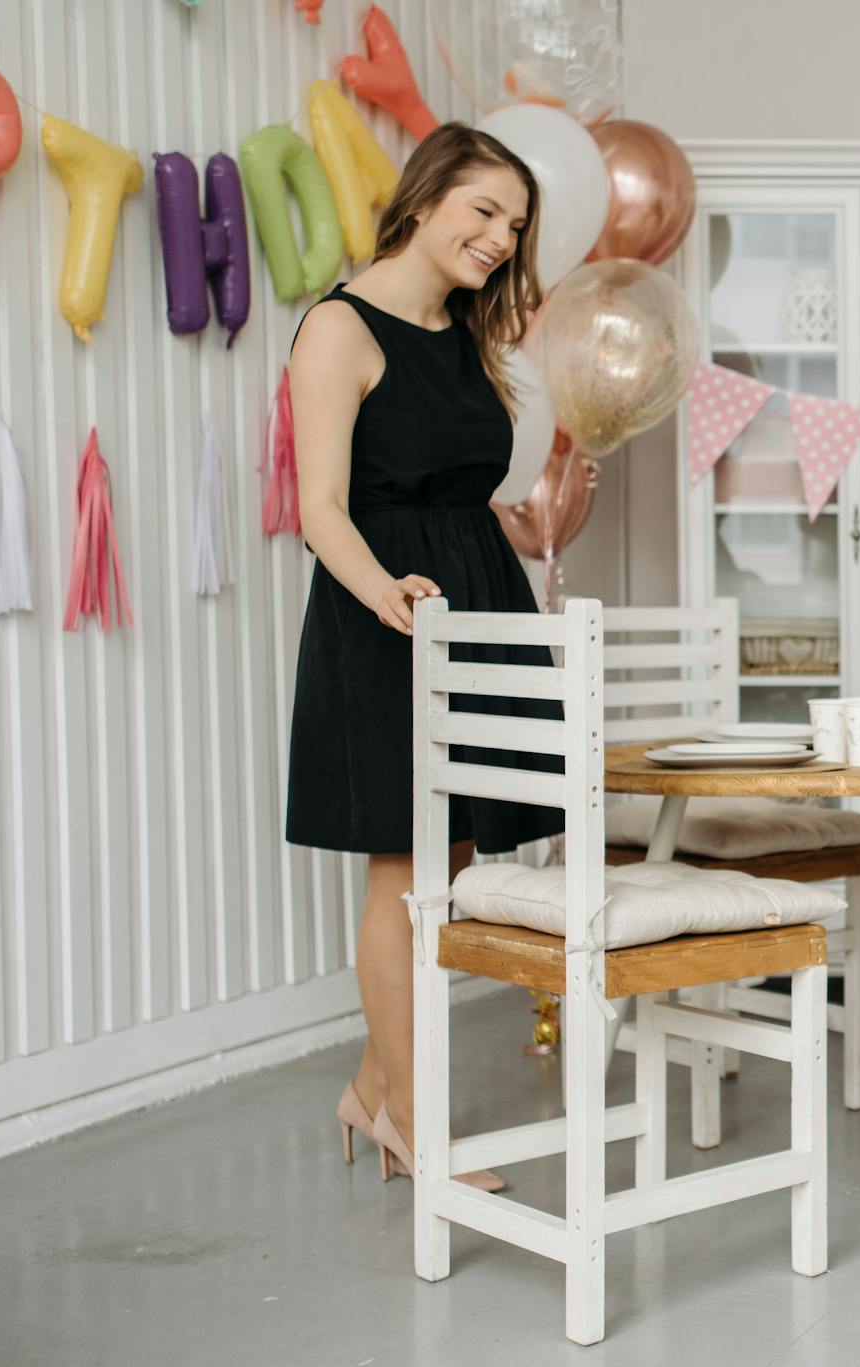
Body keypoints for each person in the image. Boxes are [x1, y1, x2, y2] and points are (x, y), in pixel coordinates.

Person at [286, 123, 567, 1191]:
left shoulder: (465, 334)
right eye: (484, 211)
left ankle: (370, 1088)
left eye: (516, 225)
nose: (500, 238)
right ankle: (414, 1118)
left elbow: (463, 490)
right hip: (386, 616)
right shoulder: (338, 328)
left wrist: (515, 548)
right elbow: (320, 508)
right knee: (404, 871)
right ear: (423, 197)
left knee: (448, 867)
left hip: (475, 608)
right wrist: (390, 596)